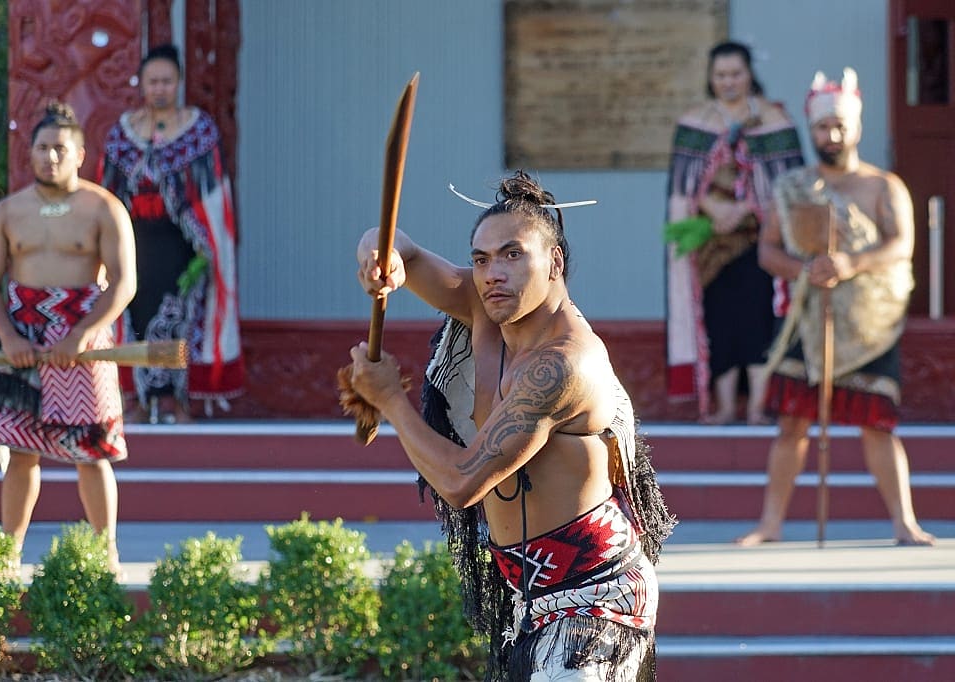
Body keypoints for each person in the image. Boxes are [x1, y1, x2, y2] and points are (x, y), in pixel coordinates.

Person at [346, 171, 675, 680]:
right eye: (481, 259)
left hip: (596, 598)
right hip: (532, 597)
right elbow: (401, 252)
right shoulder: (487, 308)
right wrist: (379, 254)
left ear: (554, 262)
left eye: (512, 254)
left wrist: (390, 399)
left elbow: (461, 483)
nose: (492, 273)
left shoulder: (561, 366)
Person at [736, 68, 936, 547]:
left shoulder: (883, 186)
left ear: (857, 128)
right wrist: (807, 270)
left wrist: (850, 262)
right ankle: (771, 525)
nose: (833, 134)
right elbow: (768, 252)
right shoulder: (793, 187)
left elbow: (900, 246)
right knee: (792, 424)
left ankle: (904, 524)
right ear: (813, 129)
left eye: (841, 125)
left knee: (878, 424)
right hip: (808, 317)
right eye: (824, 126)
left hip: (869, 322)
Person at [0, 102, 136, 574]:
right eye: (42, 148)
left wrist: (81, 335)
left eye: (60, 149)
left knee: (93, 452)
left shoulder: (104, 207)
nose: (51, 157)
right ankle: (8, 556)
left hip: (84, 341)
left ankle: (106, 554)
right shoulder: (7, 211)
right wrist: (7, 335)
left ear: (80, 153)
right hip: (22, 337)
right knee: (19, 450)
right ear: (31, 153)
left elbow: (124, 283)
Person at [100, 43, 243, 424]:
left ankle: (173, 398)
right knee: (133, 313)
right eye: (153, 81)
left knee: (178, 316)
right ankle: (134, 396)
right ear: (142, 85)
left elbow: (214, 197)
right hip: (134, 242)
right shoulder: (123, 135)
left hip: (182, 244)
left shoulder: (200, 131)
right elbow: (108, 194)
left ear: (178, 83)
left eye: (167, 81)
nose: (160, 88)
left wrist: (206, 248)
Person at [665, 41, 805, 424]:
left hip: (761, 241)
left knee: (759, 320)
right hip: (710, 243)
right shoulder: (695, 121)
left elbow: (789, 184)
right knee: (720, 321)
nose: (728, 82)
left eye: (736, 74)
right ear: (711, 79)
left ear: (749, 75)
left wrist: (745, 207)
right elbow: (683, 186)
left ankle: (759, 407)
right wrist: (713, 207)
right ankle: (725, 407)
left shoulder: (775, 120)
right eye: (720, 75)